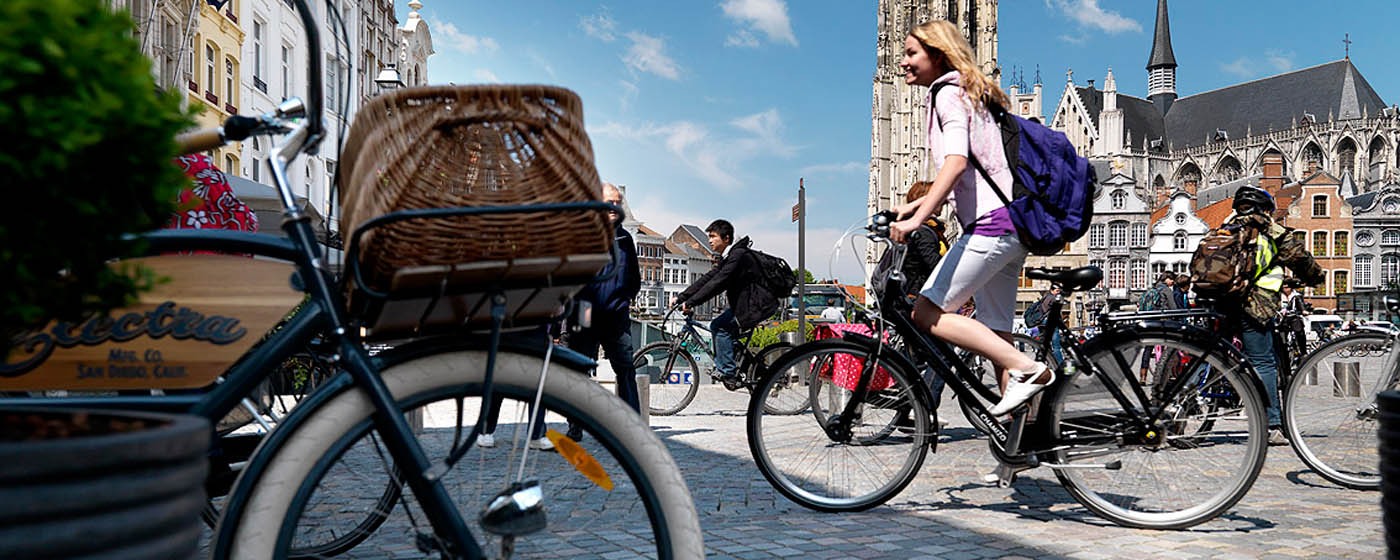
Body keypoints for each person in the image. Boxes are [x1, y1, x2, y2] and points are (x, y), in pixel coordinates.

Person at [888, 19, 1051, 424]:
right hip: (1012, 225)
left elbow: (957, 161)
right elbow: (981, 169)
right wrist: (917, 204)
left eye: (911, 53)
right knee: (996, 336)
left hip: (991, 226)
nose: (902, 62)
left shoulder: (947, 93)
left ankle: (1031, 369)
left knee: (925, 314)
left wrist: (917, 219)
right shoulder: (970, 92)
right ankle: (1021, 444)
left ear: (937, 54)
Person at [1216, 185, 1324, 446]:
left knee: (1210, 354)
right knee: (1263, 363)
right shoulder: (1267, 228)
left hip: (1220, 302)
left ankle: (1180, 408)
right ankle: (1272, 424)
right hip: (1254, 305)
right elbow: (1299, 257)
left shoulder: (1225, 227)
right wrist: (1316, 276)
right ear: (1265, 210)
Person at [560, 183, 643, 440]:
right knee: (579, 372)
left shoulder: (625, 239)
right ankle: (576, 426)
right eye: (610, 202)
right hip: (584, 315)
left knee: (626, 369)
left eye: (618, 203)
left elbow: (634, 277)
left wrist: (625, 298)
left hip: (616, 316)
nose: (614, 207)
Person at [676, 219, 775, 386]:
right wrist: (683, 297)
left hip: (756, 306)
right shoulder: (729, 256)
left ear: (726, 238)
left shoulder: (738, 256)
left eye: (713, 236)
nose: (709, 240)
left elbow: (718, 283)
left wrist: (692, 302)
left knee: (719, 327)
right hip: (745, 305)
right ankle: (749, 370)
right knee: (725, 334)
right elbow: (709, 278)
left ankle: (727, 372)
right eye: (709, 236)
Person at [1279, 278, 1308, 359]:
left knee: (1299, 331)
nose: (1285, 290)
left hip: (1293, 317)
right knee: (1280, 333)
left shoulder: (1296, 296)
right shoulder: (1279, 296)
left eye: (1287, 288)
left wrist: (1303, 311)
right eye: (1283, 288)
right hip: (1282, 318)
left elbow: (1300, 304)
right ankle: (1282, 349)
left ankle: (1303, 351)